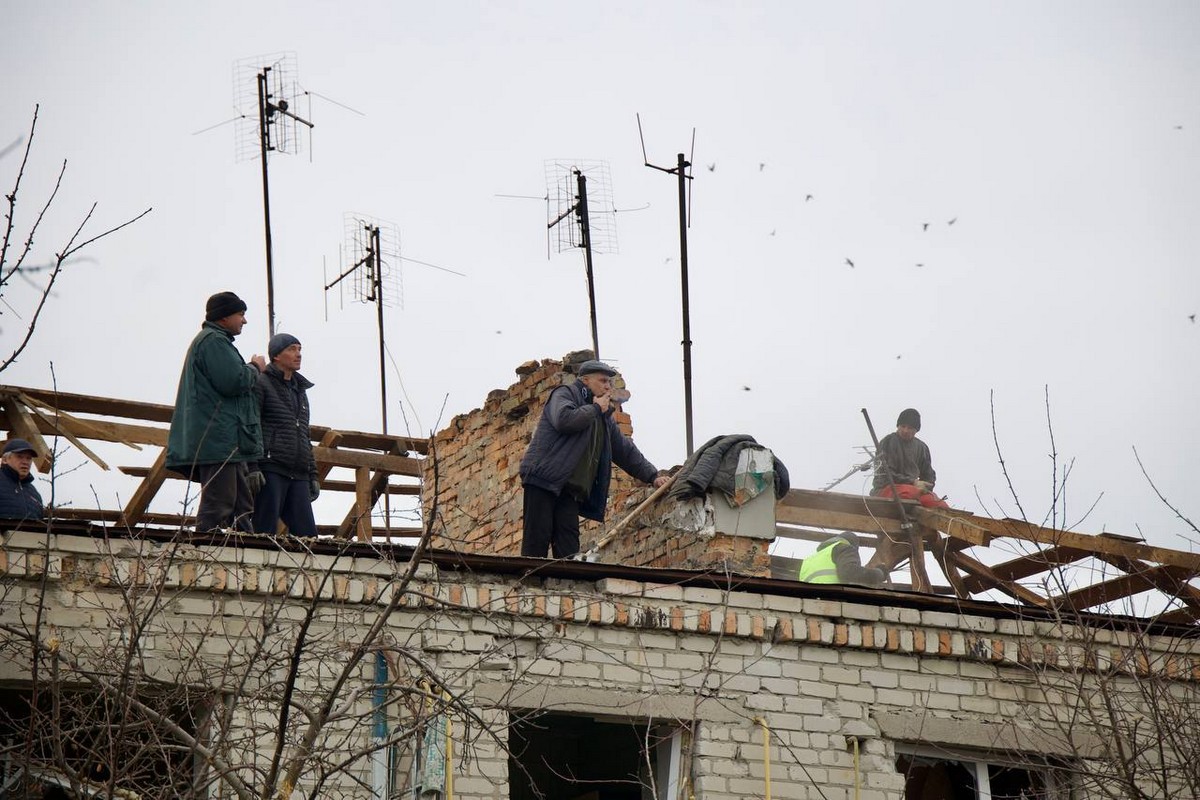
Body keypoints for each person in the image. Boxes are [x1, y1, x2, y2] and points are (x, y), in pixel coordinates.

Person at [519, 359, 668, 559]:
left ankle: (566, 588)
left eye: (610, 383)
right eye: (603, 381)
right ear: (586, 380)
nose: (608, 386)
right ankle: (529, 585)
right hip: (543, 480)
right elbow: (565, 420)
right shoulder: (565, 393)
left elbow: (625, 450)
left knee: (568, 550)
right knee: (536, 542)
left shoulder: (603, 418)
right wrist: (596, 409)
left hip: (569, 489)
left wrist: (652, 475)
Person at [165, 291, 266, 532]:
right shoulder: (213, 342)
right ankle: (205, 553)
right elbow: (233, 381)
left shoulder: (215, 341)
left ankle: (244, 554)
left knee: (241, 505)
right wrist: (254, 368)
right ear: (224, 317)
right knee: (219, 503)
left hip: (226, 440)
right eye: (241, 314)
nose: (244, 320)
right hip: (217, 439)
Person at [250, 333, 319, 536]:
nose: (298, 354)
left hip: (298, 472)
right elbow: (252, 425)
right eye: (292, 349)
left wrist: (312, 473)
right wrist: (253, 466)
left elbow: (304, 434)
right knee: (263, 533)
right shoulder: (262, 383)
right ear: (276, 355)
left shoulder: (300, 390)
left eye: (299, 349)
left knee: (308, 538)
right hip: (271, 467)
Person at [870, 408, 948, 509]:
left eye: (910, 428)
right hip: (887, 488)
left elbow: (929, 475)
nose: (905, 430)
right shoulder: (889, 441)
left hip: (914, 490)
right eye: (903, 426)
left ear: (916, 430)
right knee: (908, 495)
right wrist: (913, 482)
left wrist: (926, 486)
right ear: (898, 426)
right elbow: (886, 474)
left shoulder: (922, 447)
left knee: (939, 505)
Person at [797, 532, 886, 587]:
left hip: (808, 602)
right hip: (831, 599)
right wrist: (879, 574)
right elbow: (849, 572)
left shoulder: (809, 559)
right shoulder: (846, 548)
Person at [0, 439, 45, 522]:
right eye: (19, 456)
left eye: (29, 458)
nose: (25, 462)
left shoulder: (34, 494)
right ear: (5, 460)